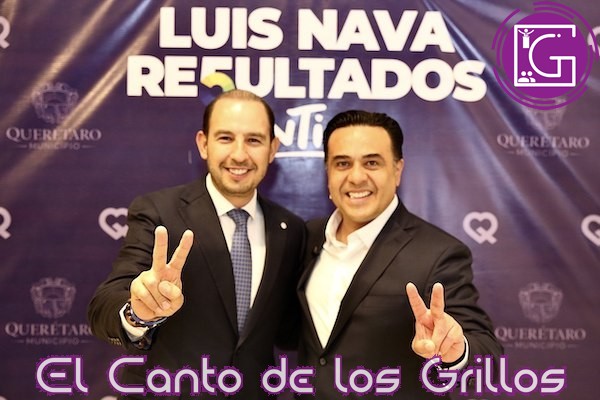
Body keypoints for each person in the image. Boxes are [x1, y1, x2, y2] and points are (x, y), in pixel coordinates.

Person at [88, 89, 304, 399]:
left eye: (254, 140)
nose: (239, 155)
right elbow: (104, 306)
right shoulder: (158, 212)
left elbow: (288, 331)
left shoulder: (290, 229)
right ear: (203, 144)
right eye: (225, 138)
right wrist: (139, 312)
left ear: (273, 149)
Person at [296, 110, 503, 399]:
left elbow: (487, 359)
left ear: (397, 170)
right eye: (342, 163)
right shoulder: (308, 236)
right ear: (328, 172)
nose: (356, 177)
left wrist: (456, 352)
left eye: (372, 163)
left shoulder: (439, 253)